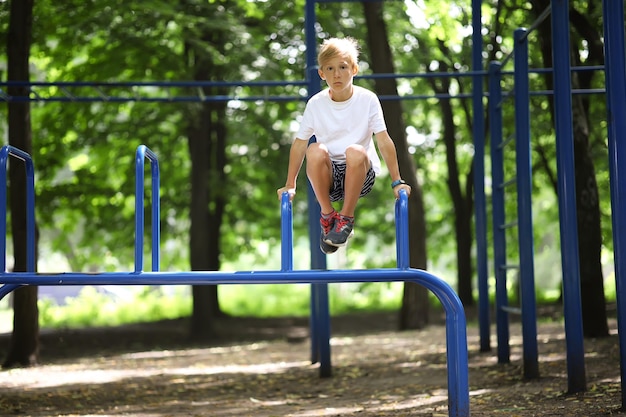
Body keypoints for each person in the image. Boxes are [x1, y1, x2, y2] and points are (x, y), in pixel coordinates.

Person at [276, 37, 412, 254]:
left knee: (356, 151)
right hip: (327, 175)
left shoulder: (367, 99)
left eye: (342, 67)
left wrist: (397, 181)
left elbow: (383, 140)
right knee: (315, 149)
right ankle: (328, 216)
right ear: (322, 73)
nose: (336, 74)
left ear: (354, 69)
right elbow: (300, 144)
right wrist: (290, 184)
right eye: (330, 69)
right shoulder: (316, 104)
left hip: (360, 172)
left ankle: (346, 219)